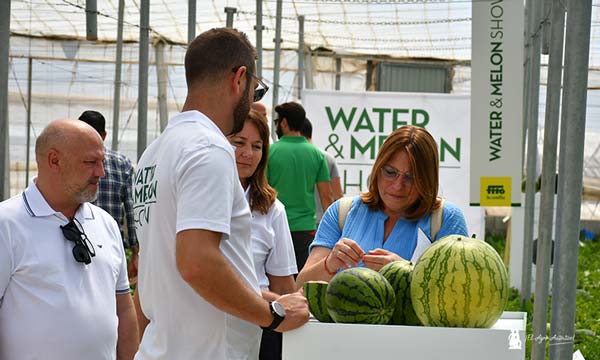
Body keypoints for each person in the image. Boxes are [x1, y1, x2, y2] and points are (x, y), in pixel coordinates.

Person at [132, 28, 309, 360]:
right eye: (255, 90)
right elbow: (198, 263)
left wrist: (267, 299)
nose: (253, 100)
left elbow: (168, 272)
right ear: (239, 79)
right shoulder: (209, 147)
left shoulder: (154, 153)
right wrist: (272, 316)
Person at [0, 119, 139, 359]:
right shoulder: (7, 224)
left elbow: (124, 310)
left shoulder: (106, 224)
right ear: (54, 160)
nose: (101, 173)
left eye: (102, 162)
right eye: (90, 162)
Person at [296, 125, 469, 287]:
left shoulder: (446, 218)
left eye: (411, 177)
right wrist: (330, 263)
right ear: (377, 169)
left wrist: (405, 272)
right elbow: (301, 285)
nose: (398, 185)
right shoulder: (342, 212)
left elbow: (458, 291)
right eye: (390, 172)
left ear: (428, 179)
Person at [229, 110, 297, 360]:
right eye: (239, 142)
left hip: (260, 324)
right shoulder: (201, 197)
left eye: (257, 146)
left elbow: (283, 285)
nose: (247, 153)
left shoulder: (272, 209)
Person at [267, 101, 334, 272]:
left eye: (277, 122)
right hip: (305, 229)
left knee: (275, 277)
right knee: (302, 278)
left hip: (274, 225)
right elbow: (326, 197)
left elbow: (262, 189)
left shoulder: (269, 152)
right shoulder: (317, 155)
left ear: (283, 123)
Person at [78, 110, 139, 281]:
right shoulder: (122, 163)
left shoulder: (70, 161)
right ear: (104, 135)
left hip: (76, 243)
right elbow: (132, 210)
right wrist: (136, 252)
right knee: (111, 297)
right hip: (111, 245)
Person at [300, 117, 344, 225]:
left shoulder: (287, 157)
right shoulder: (327, 158)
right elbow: (338, 196)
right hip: (321, 222)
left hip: (293, 222)